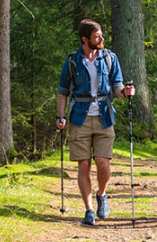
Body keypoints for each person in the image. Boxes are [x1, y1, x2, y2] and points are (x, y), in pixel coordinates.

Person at [56, 20, 134, 226]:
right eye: (97, 36)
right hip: (79, 118)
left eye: (101, 35)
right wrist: (61, 116)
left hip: (104, 116)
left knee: (103, 162)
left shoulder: (109, 58)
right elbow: (63, 91)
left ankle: (102, 194)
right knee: (83, 164)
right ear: (85, 39)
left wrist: (124, 92)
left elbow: (117, 85)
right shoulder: (73, 61)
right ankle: (89, 210)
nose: (101, 39)